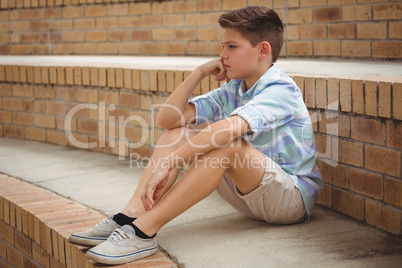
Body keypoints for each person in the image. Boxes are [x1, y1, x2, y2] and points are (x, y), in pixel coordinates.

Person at [68, 6, 322, 265]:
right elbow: (168, 120)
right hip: (250, 191)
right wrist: (198, 73)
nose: (222, 56)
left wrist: (169, 162)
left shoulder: (280, 88)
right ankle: (131, 214)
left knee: (227, 142)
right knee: (176, 135)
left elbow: (228, 130)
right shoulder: (233, 88)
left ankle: (144, 231)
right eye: (223, 46)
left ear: (263, 50)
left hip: (291, 199)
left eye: (232, 47)